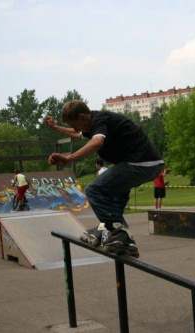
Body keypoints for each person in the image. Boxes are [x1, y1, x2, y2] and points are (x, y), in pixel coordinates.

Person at [45, 100, 163, 258]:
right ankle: (108, 229)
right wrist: (56, 128)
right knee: (115, 193)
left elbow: (97, 142)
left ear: (82, 117)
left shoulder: (100, 120)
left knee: (94, 189)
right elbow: (78, 134)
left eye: (75, 124)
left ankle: (122, 235)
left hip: (141, 163)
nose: (74, 129)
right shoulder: (93, 124)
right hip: (147, 164)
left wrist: (69, 158)